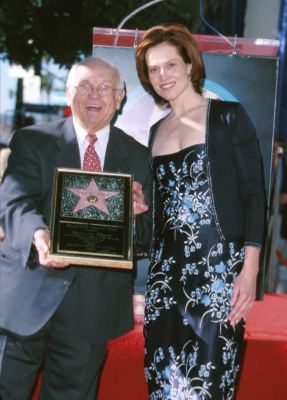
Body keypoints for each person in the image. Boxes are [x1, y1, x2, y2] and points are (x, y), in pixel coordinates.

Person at [0, 57, 151, 400]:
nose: (92, 94)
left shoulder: (139, 157)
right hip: (26, 294)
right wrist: (39, 237)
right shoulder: (32, 140)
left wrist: (138, 215)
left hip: (91, 311)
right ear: (69, 94)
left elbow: (147, 238)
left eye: (103, 87)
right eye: (83, 85)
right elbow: (13, 203)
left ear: (120, 96)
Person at [135, 23, 265, 399]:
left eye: (170, 65)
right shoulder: (155, 131)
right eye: (154, 70)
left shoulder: (227, 117)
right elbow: (163, 206)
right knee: (163, 386)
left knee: (209, 386)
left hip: (217, 275)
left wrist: (250, 269)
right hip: (164, 279)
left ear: (190, 64)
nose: (163, 76)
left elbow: (254, 194)